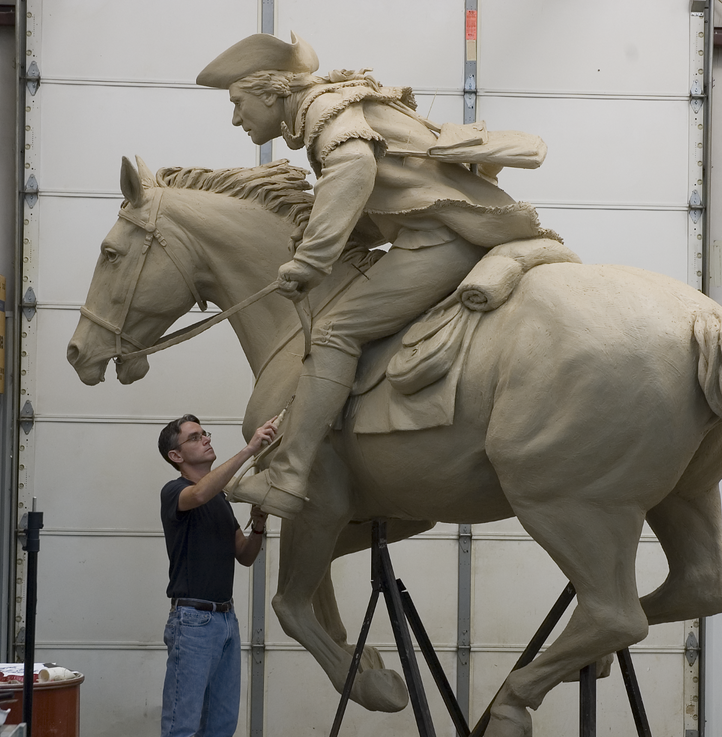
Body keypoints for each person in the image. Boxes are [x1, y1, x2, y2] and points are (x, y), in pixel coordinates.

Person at [196, 32, 552, 520]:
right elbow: (386, 191)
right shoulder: (344, 106)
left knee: (335, 331)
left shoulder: (326, 113)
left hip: (438, 240)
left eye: (238, 102)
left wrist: (310, 261)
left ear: (270, 91)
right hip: (433, 234)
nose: (237, 117)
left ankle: (289, 472)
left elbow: (354, 170)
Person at [155, 413, 278, 737]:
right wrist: (251, 448)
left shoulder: (220, 500)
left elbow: (244, 554)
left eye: (205, 433)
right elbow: (201, 493)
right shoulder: (176, 492)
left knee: (220, 727)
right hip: (192, 622)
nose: (206, 439)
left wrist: (258, 524)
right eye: (195, 437)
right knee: (180, 729)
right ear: (176, 455)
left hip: (225, 621)